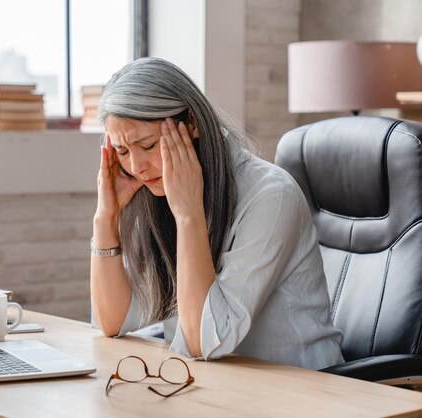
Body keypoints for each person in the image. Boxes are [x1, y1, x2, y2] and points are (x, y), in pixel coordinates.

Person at [90, 57, 343, 370]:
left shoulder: (271, 197)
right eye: (123, 152)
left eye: (148, 144)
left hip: (303, 391)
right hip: (218, 386)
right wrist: (106, 218)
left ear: (192, 124)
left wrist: (188, 216)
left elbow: (204, 340)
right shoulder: (154, 188)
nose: (137, 167)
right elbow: (112, 320)